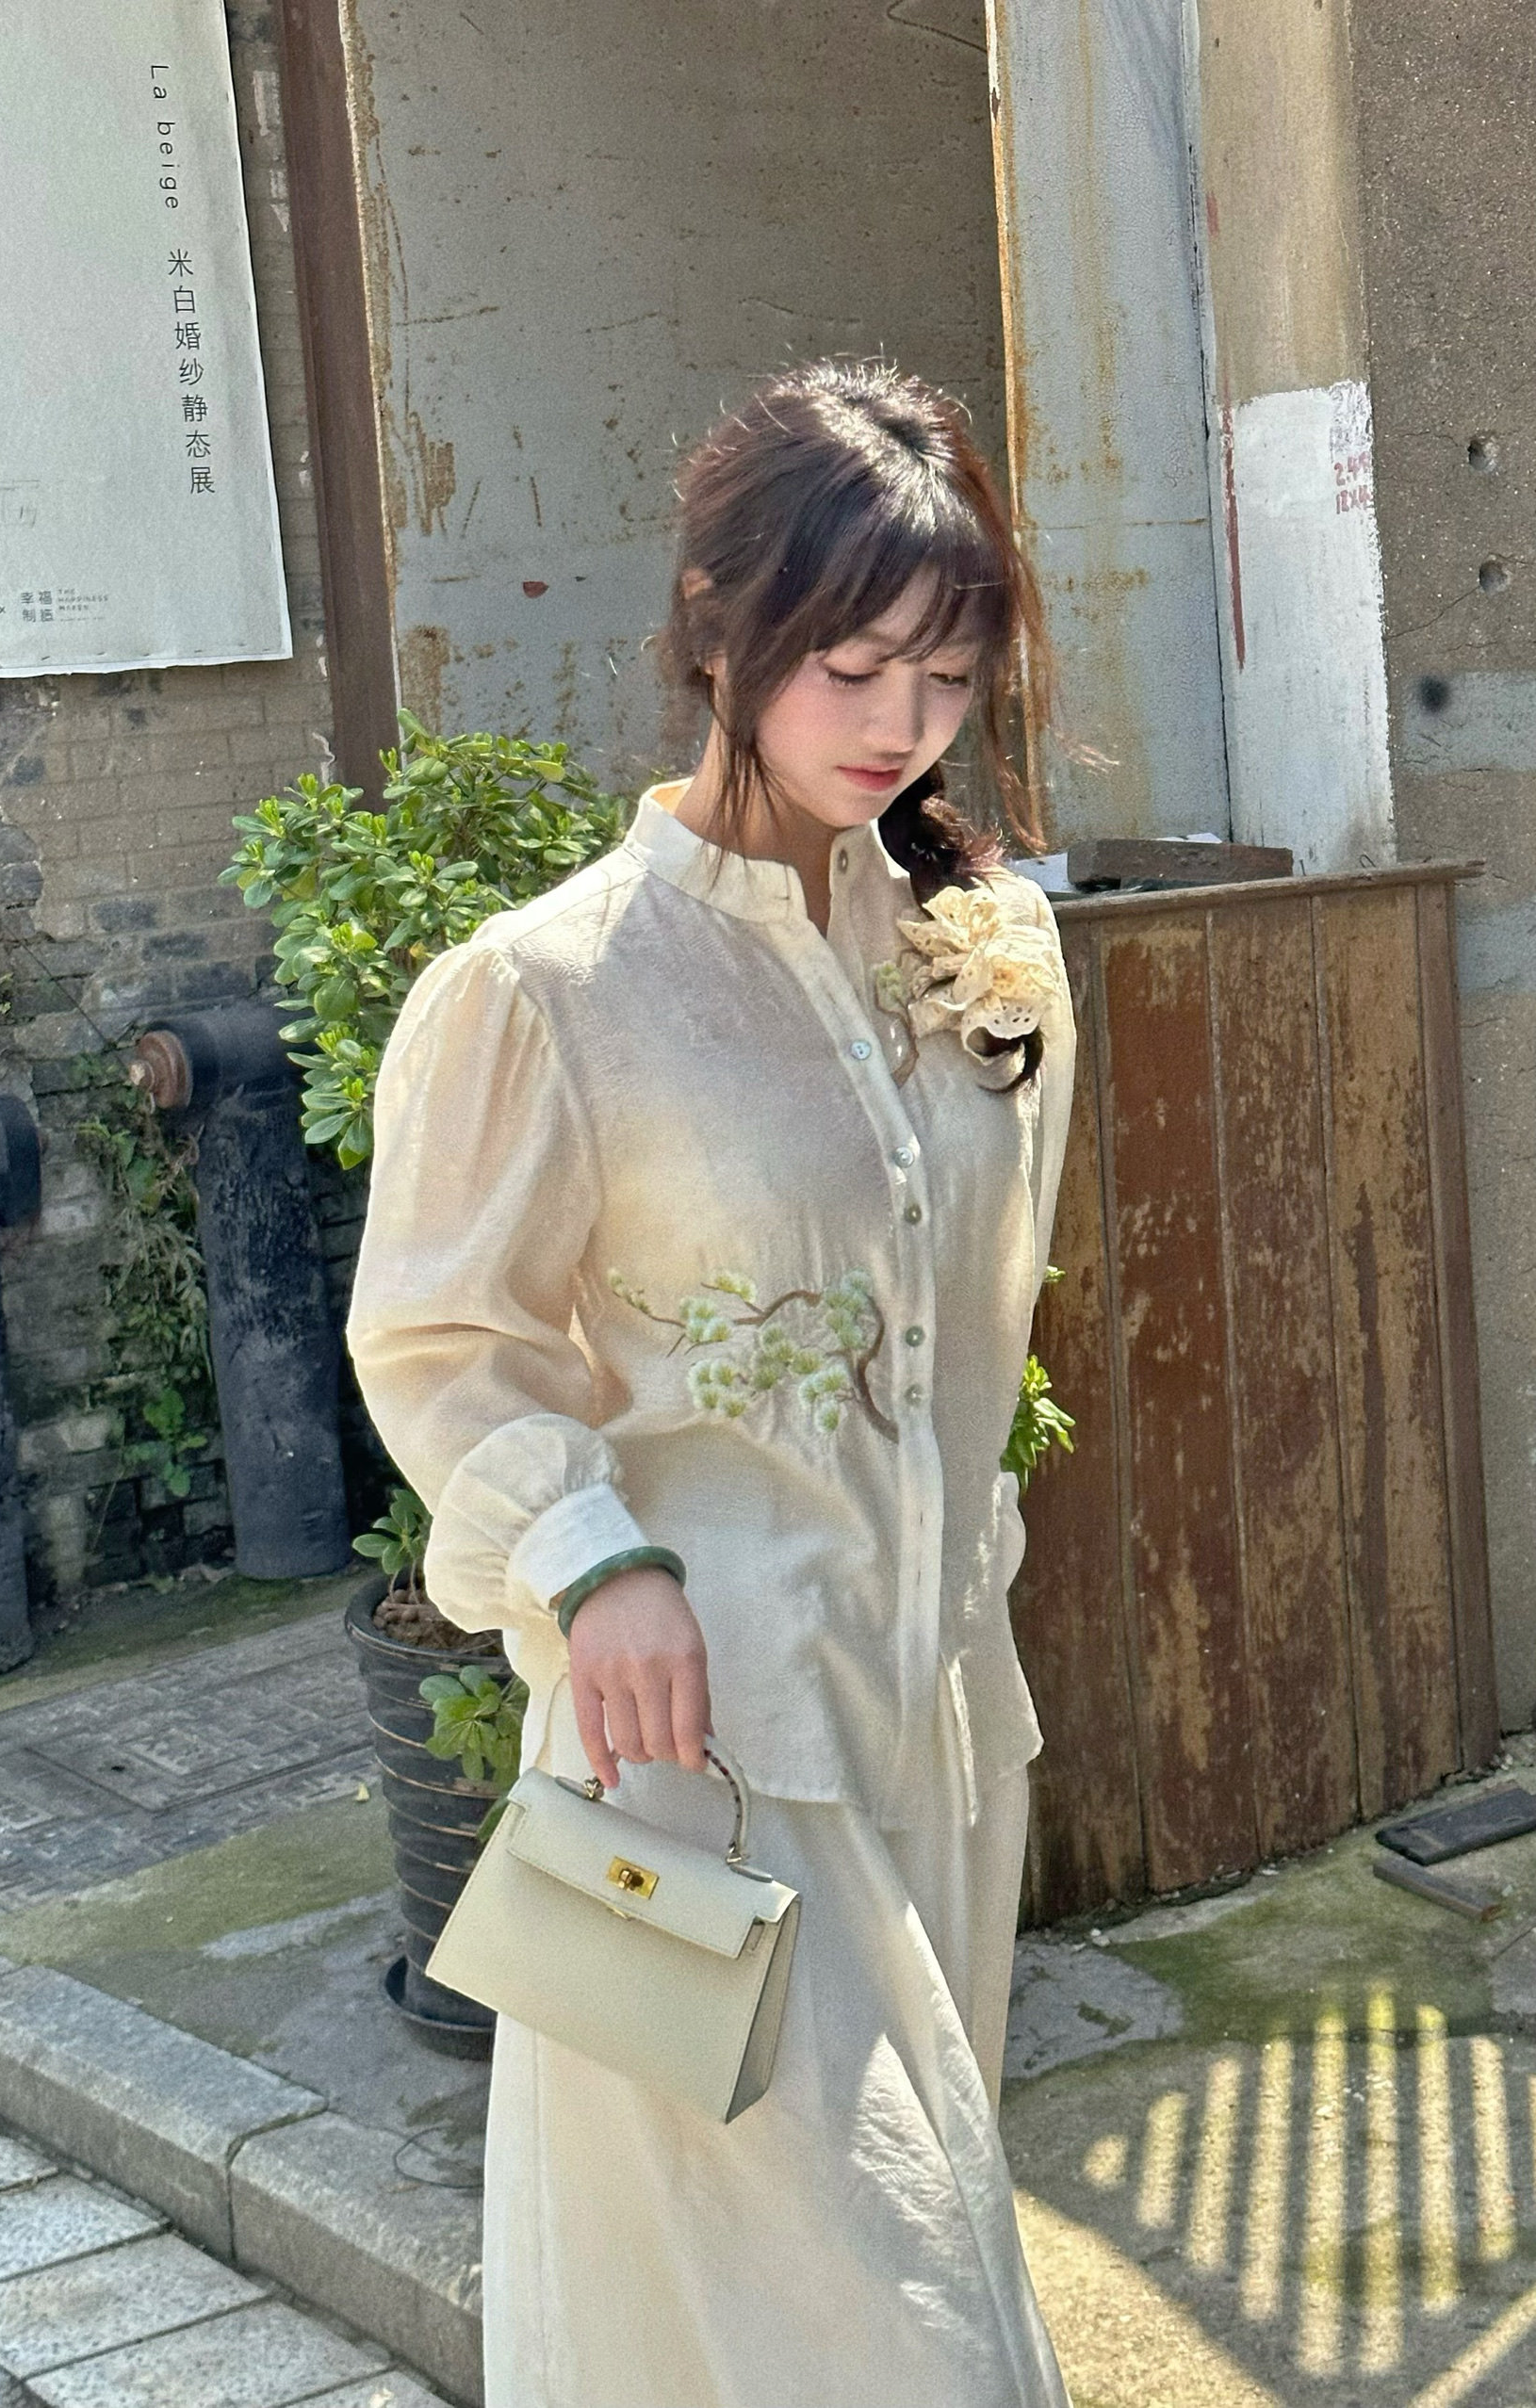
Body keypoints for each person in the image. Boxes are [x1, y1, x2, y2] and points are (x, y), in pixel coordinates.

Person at [348, 358, 1076, 2408]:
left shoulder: (987, 954)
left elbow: (971, 1323)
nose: (902, 722)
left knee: (817, 2324)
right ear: (716, 625)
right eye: (850, 664)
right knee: (896, 2339)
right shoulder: (548, 991)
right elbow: (439, 1335)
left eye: (948, 674)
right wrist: (590, 1557)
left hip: (937, 1721)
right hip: (693, 1762)